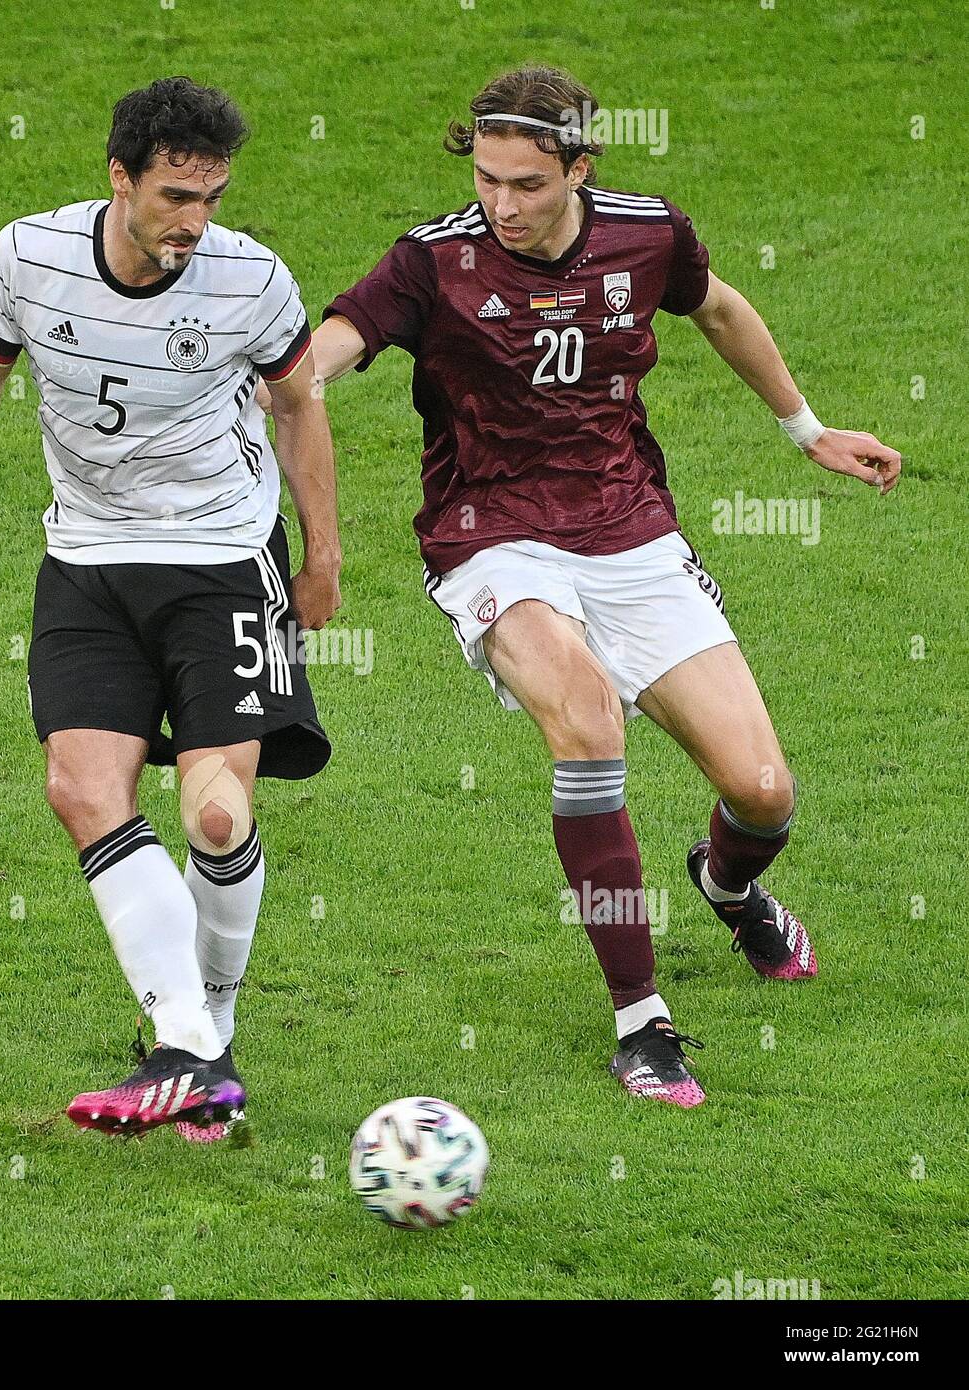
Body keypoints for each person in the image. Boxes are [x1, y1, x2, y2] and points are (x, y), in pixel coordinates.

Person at [277, 64, 900, 1107]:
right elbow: (323, 352)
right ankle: (640, 1020)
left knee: (762, 792)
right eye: (485, 179)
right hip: (491, 539)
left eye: (526, 183)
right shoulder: (431, 261)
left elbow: (721, 309)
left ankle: (727, 886)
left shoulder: (648, 235)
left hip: (629, 531)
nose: (502, 205)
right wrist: (286, 376)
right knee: (585, 717)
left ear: (577, 167)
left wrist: (807, 429)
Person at [0, 77, 342, 1139]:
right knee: (81, 789)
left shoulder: (249, 279)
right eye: (174, 196)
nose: (194, 221)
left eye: (210, 196)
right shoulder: (26, 258)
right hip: (87, 558)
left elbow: (300, 405)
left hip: (221, 557)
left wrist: (323, 556)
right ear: (118, 179)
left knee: (217, 816)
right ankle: (186, 1049)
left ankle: (204, 1037)